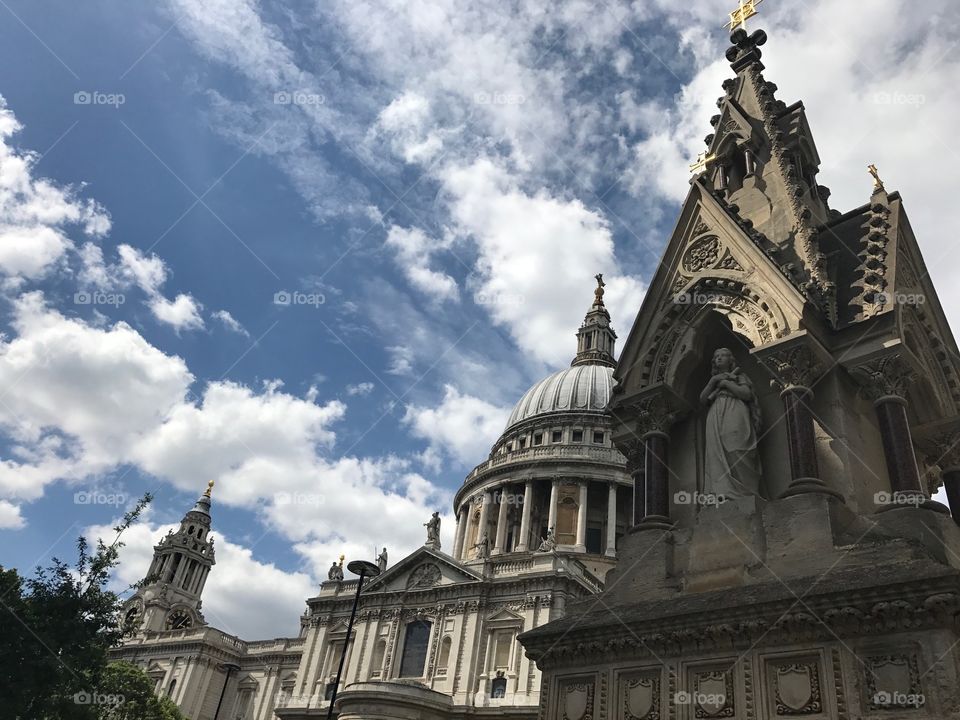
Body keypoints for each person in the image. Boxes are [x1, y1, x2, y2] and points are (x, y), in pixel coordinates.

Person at [699, 347, 763, 500]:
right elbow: (703, 399)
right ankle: (723, 492)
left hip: (735, 410)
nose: (719, 358)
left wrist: (727, 384)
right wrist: (713, 381)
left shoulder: (739, 375)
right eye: (716, 356)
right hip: (715, 413)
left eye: (723, 355)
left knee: (736, 448)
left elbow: (746, 394)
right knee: (716, 452)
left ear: (731, 359)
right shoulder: (714, 381)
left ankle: (746, 492)